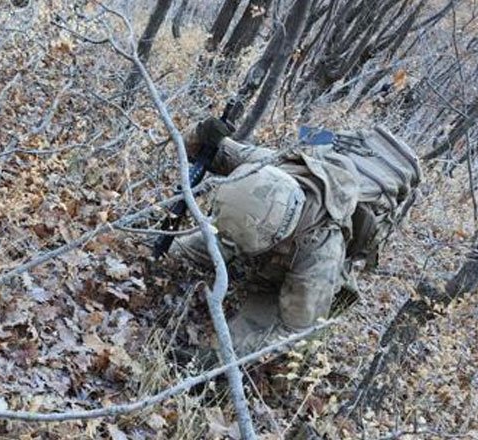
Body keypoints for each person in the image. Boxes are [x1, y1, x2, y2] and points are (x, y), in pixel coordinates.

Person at [168, 117, 421, 357]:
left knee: (248, 334)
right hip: (266, 223)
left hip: (312, 248)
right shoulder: (266, 168)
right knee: (178, 249)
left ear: (276, 238)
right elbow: (201, 148)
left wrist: (220, 362)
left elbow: (297, 333)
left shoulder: (320, 255)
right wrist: (203, 131)